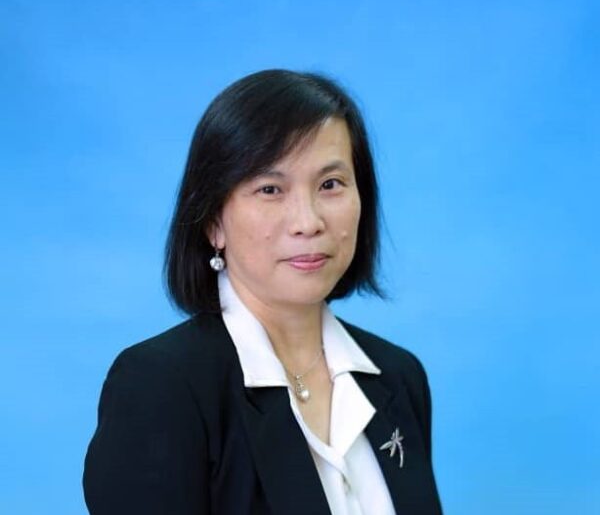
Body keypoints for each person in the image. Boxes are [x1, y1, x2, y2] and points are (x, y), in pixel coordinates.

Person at [83, 69, 443, 515]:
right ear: (213, 221)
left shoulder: (398, 377)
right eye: (270, 189)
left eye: (330, 184)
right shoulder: (161, 387)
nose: (308, 222)